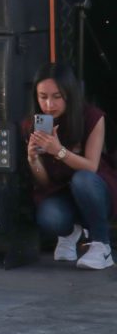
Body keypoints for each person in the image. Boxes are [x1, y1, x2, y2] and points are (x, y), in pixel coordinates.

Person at [23, 63, 117, 269]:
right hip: (61, 192)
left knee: (82, 179)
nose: (49, 104)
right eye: (43, 97)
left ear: (70, 94)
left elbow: (91, 167)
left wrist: (59, 151)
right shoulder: (34, 124)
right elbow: (44, 182)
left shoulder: (92, 117)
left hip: (95, 188)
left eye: (57, 96)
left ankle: (102, 245)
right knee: (49, 217)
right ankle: (70, 233)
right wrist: (33, 160)